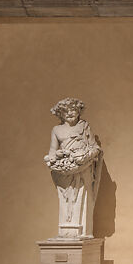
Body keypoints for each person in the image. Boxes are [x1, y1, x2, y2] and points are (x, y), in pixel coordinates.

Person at [44, 98, 103, 238]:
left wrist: (85, 155)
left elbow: (95, 147)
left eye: (73, 110)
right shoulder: (57, 130)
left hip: (83, 168)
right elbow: (52, 151)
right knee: (66, 198)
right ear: (61, 114)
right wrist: (57, 154)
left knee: (83, 196)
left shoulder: (84, 126)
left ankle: (83, 231)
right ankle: (66, 231)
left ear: (79, 112)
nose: (70, 113)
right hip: (65, 170)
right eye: (66, 111)